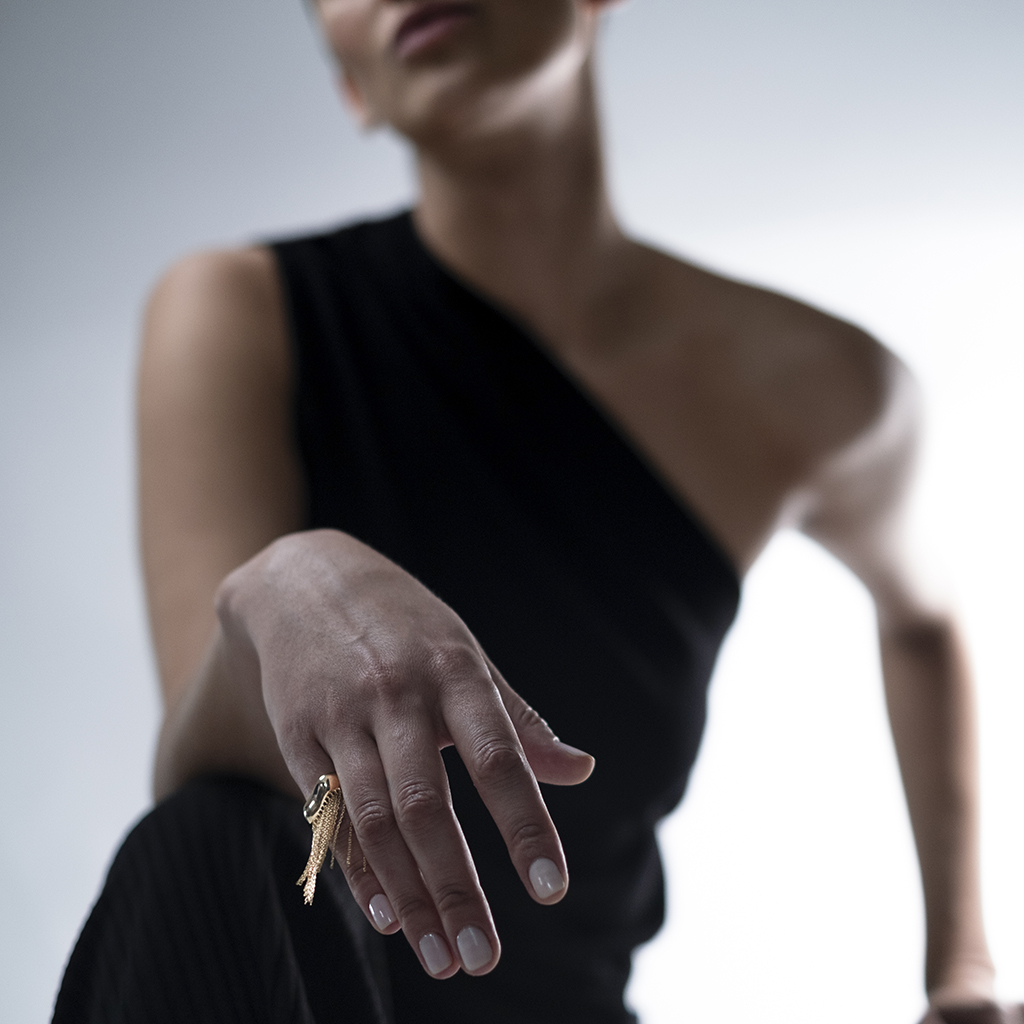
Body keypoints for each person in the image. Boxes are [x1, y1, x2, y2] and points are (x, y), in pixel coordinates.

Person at [53, 2, 1018, 1022]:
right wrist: (275, 588)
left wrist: (961, 972)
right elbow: (200, 776)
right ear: (352, 89)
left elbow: (924, 620)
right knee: (202, 836)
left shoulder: (824, 389)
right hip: (301, 992)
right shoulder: (235, 307)